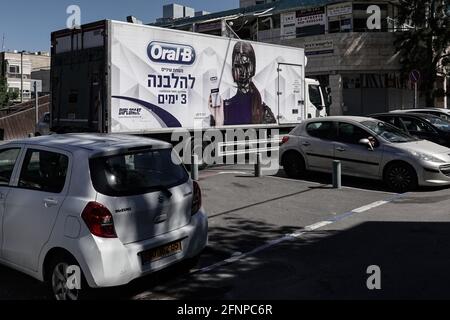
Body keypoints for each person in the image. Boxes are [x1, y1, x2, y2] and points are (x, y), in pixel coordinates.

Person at [209, 41, 276, 126]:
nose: (242, 70)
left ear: (253, 67)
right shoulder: (224, 108)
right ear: (233, 70)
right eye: (237, 66)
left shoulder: (263, 111)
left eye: (246, 65)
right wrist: (218, 120)